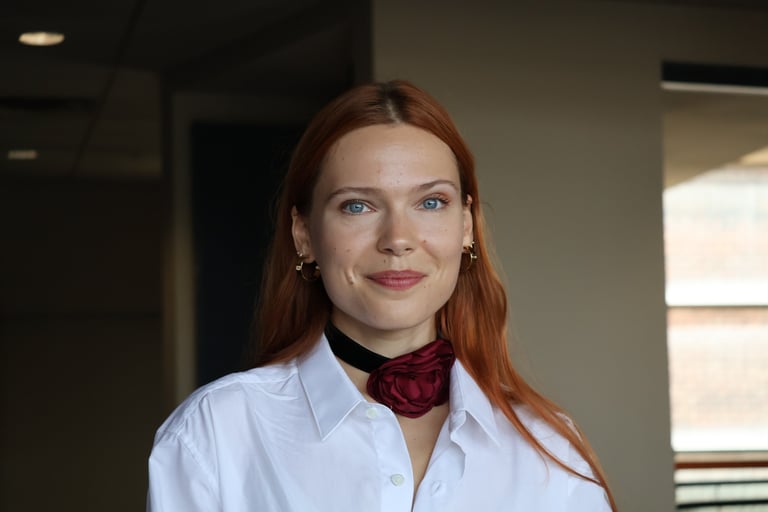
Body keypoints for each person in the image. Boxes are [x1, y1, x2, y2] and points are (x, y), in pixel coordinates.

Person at [147, 80, 617, 511]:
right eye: (358, 206)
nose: (397, 239)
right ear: (304, 234)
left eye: (430, 202)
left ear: (466, 226)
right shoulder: (216, 434)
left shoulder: (549, 449)